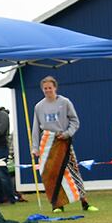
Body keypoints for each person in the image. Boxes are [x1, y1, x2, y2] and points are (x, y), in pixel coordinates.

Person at [31, 75, 94, 212]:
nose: (47, 90)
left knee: (73, 171)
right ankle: (57, 204)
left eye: (50, 88)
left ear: (55, 88)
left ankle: (84, 202)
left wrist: (67, 133)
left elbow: (74, 121)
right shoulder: (39, 106)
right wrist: (35, 148)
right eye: (45, 88)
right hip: (47, 143)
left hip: (63, 141)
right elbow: (35, 128)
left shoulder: (65, 102)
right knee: (51, 174)